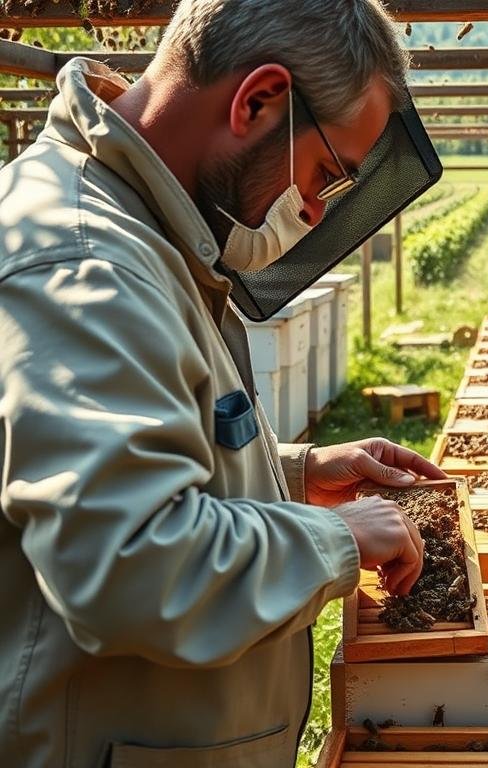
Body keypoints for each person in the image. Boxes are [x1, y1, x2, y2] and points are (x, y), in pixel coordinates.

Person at [0, 1, 441, 765]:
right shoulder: (82, 265)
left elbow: (159, 451)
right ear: (258, 101)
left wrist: (294, 474)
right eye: (325, 175)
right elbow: (130, 563)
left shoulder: (141, 235)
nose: (310, 209)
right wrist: (338, 538)